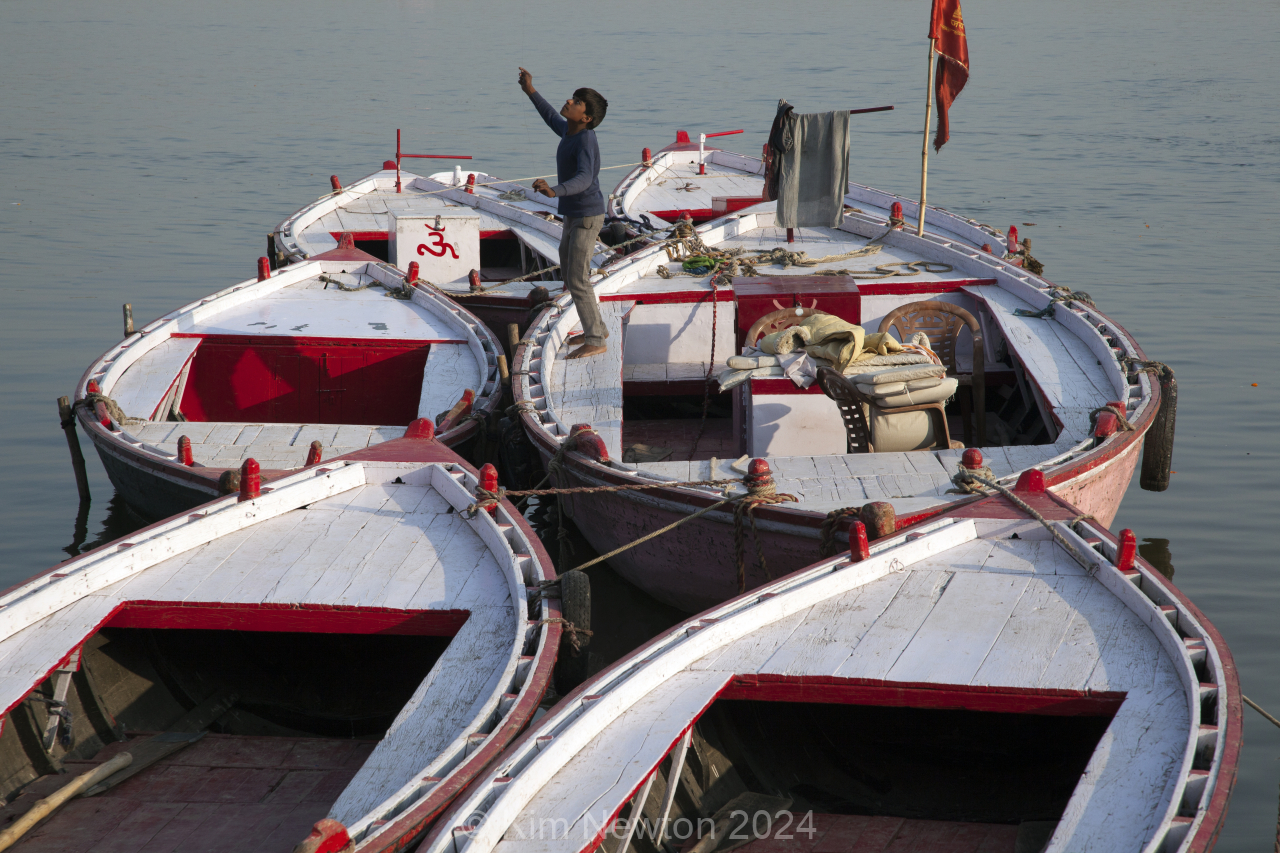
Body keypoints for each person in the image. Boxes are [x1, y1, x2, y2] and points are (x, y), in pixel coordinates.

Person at [518, 67, 609, 359]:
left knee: (578, 279)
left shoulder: (585, 140)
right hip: (573, 214)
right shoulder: (570, 131)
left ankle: (596, 339)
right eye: (572, 98)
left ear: (586, 118)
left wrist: (554, 191)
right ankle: (598, 328)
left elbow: (584, 179)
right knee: (571, 275)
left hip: (587, 217)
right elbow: (550, 116)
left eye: (577, 102)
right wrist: (530, 90)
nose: (569, 102)